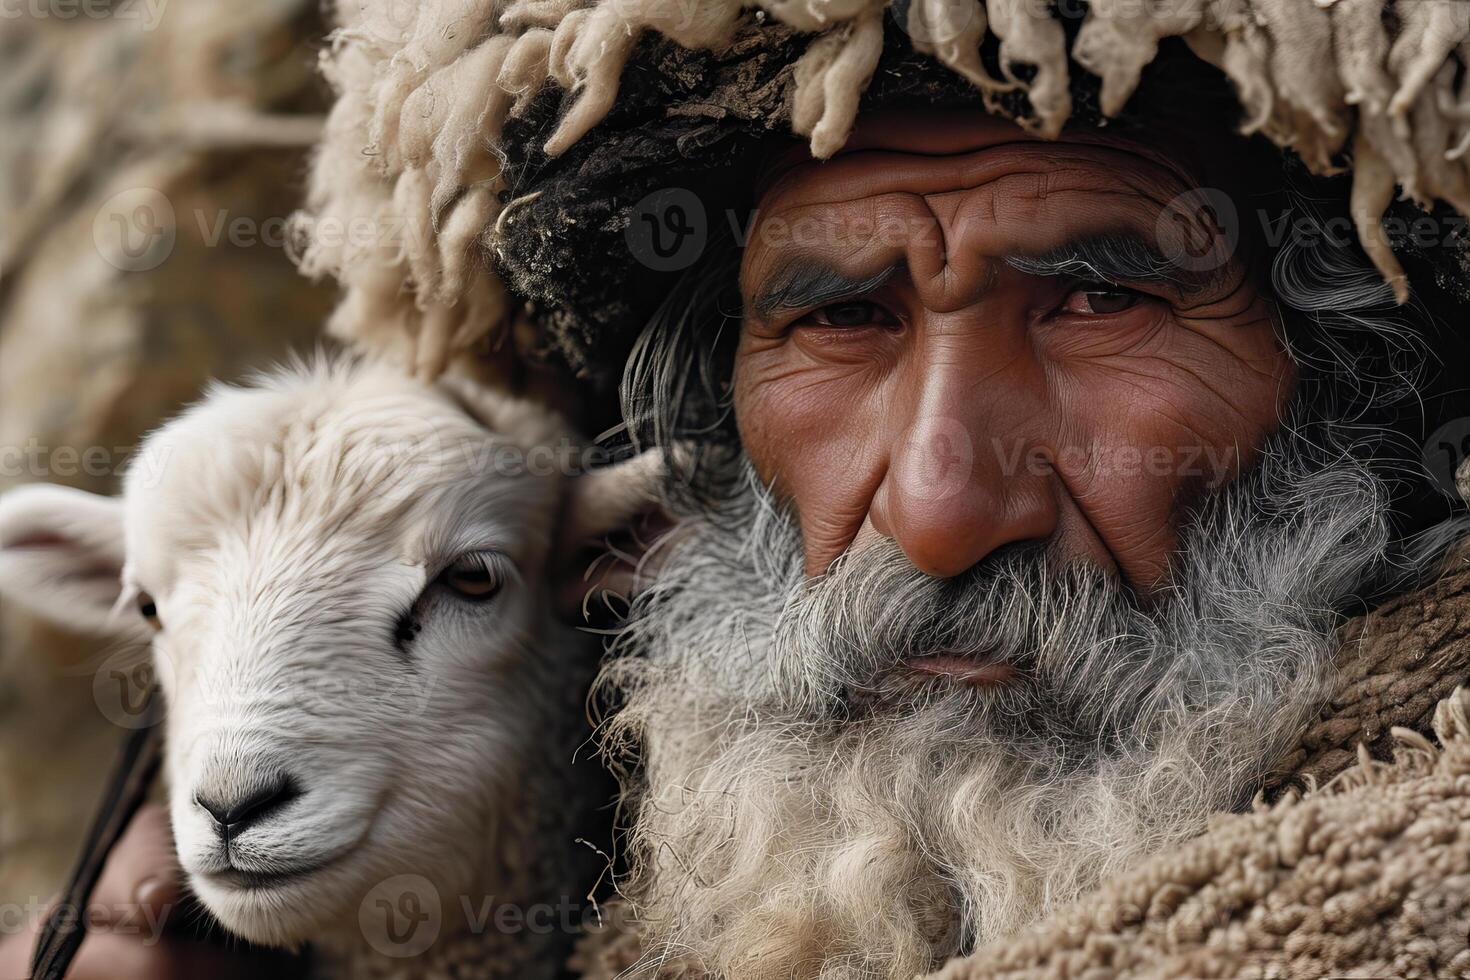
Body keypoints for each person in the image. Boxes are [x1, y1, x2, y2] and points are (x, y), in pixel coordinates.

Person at [14, 0, 1470, 975]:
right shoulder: (552, 805)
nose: (940, 506)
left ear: (1355, 379)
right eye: (838, 317)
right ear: (708, 427)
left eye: (1099, 303)